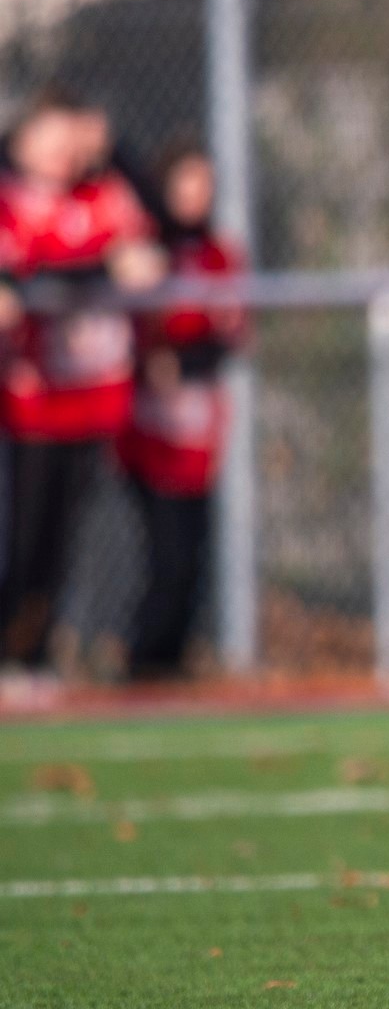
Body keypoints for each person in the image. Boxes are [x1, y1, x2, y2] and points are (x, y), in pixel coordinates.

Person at [0, 88, 165, 672]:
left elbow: (154, 236)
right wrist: (95, 268)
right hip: (32, 398)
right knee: (23, 536)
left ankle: (38, 652)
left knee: (66, 542)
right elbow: (21, 277)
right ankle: (15, 649)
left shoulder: (102, 194)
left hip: (93, 400)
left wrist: (115, 148)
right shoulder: (12, 196)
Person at [117, 141, 243, 679]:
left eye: (205, 184)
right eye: (186, 183)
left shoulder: (217, 253)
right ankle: (145, 663)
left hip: (197, 430)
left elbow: (230, 332)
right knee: (164, 554)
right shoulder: (146, 250)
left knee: (192, 556)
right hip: (150, 430)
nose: (197, 195)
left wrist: (186, 363)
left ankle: (169, 664)